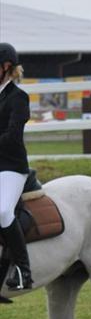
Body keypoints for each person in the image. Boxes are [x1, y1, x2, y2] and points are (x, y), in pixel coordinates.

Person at [0, 41, 33, 292]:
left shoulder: (19, 98)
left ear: (6, 66)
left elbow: (12, 137)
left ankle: (23, 269)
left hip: (11, 167)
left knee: (2, 211)